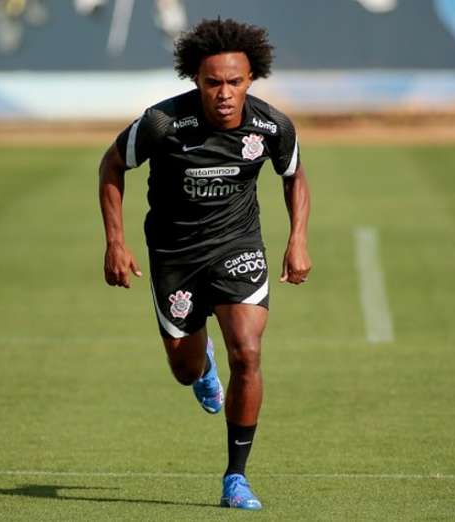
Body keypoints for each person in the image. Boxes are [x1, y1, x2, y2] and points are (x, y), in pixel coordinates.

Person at [98, 18, 311, 510]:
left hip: (238, 247)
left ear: (251, 79)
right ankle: (202, 366)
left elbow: (294, 175)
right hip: (175, 255)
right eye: (213, 82)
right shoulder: (162, 123)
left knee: (248, 353)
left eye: (234, 82)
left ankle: (236, 478)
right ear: (195, 79)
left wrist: (297, 238)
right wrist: (115, 241)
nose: (223, 93)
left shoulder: (271, 125)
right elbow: (111, 165)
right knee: (184, 367)